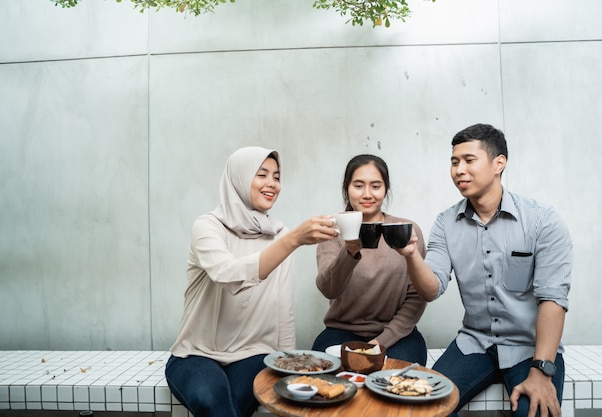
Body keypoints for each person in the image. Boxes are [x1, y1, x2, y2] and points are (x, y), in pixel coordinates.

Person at [405, 124, 573, 417]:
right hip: (475, 343)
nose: (459, 170)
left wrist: (541, 370)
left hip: (529, 347)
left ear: (499, 163)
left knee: (535, 412)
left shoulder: (542, 221)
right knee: (423, 407)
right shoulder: (445, 223)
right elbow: (431, 289)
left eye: (469, 160)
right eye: (454, 162)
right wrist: (410, 256)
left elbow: (553, 300)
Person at [165, 146, 338, 417]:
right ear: (239, 178)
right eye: (261, 175)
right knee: (212, 402)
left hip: (253, 354)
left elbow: (282, 309)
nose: (272, 184)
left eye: (277, 177)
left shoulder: (279, 233)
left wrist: (289, 365)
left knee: (234, 403)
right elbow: (228, 275)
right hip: (196, 353)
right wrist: (292, 241)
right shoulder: (208, 226)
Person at [311, 154, 429, 364]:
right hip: (341, 332)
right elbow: (329, 289)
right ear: (346, 187)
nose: (367, 194)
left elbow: (416, 298)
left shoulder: (405, 231)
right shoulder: (332, 230)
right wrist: (350, 251)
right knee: (328, 384)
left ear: (385, 189)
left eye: (376, 186)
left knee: (401, 385)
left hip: (397, 335)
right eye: (358, 186)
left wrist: (380, 342)